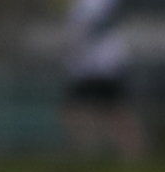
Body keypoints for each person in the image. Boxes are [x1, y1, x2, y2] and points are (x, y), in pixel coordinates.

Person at [60, 0, 139, 152]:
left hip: (100, 66)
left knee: (112, 113)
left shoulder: (97, 4)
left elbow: (89, 29)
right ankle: (95, 151)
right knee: (88, 113)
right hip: (90, 67)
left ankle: (131, 154)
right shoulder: (82, 5)